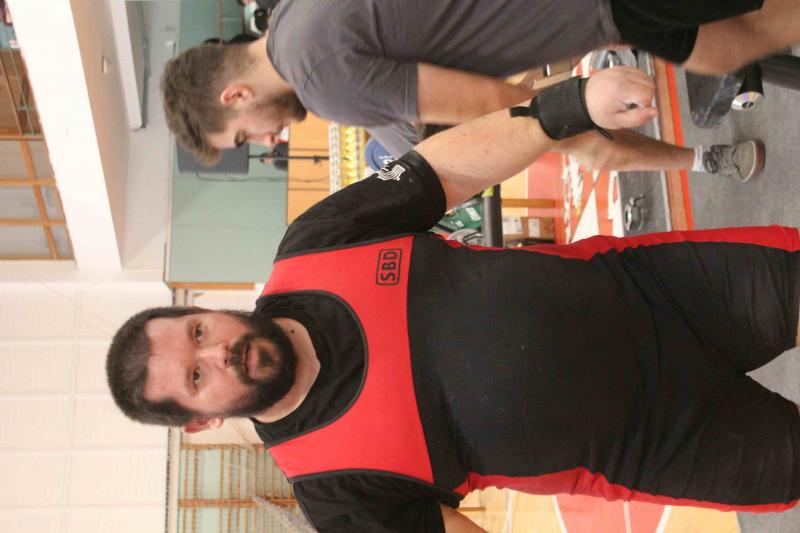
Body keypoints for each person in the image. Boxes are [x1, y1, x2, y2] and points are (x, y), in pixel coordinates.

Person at [111, 67, 800, 532]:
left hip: (666, 294)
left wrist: (568, 107)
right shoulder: (333, 490)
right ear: (200, 421)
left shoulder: (314, 247)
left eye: (197, 332)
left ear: (202, 309)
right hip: (665, 446)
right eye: (196, 376)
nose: (219, 351)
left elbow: (447, 169)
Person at [158, 0, 797, 178]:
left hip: (591, 8)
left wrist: (581, 111)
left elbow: (488, 105)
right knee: (726, 44)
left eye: (244, 136)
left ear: (234, 97)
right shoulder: (294, 17)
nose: (268, 139)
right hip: (592, 16)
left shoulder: (320, 82)